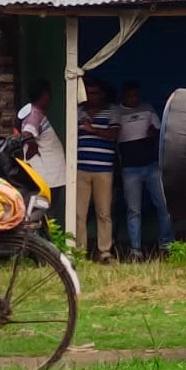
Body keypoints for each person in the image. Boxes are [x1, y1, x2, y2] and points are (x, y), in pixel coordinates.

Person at [114, 82, 172, 257]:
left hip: (151, 166)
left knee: (164, 206)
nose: (135, 99)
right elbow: (113, 137)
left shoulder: (147, 108)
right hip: (129, 169)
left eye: (137, 95)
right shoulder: (117, 112)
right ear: (124, 96)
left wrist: (153, 133)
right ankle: (136, 250)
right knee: (134, 210)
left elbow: (160, 131)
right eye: (131, 95)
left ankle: (166, 245)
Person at [77, 79, 119, 262]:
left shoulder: (113, 111)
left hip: (103, 170)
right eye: (89, 92)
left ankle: (104, 252)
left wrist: (92, 130)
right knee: (79, 213)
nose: (91, 96)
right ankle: (79, 251)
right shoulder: (78, 112)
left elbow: (114, 135)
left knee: (104, 212)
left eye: (95, 93)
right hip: (80, 169)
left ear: (104, 94)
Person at [18, 81, 68, 219]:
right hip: (47, 175)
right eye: (49, 94)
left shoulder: (37, 113)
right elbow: (27, 135)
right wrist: (33, 149)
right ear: (45, 95)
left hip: (51, 174)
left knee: (48, 210)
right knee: (47, 212)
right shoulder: (34, 115)